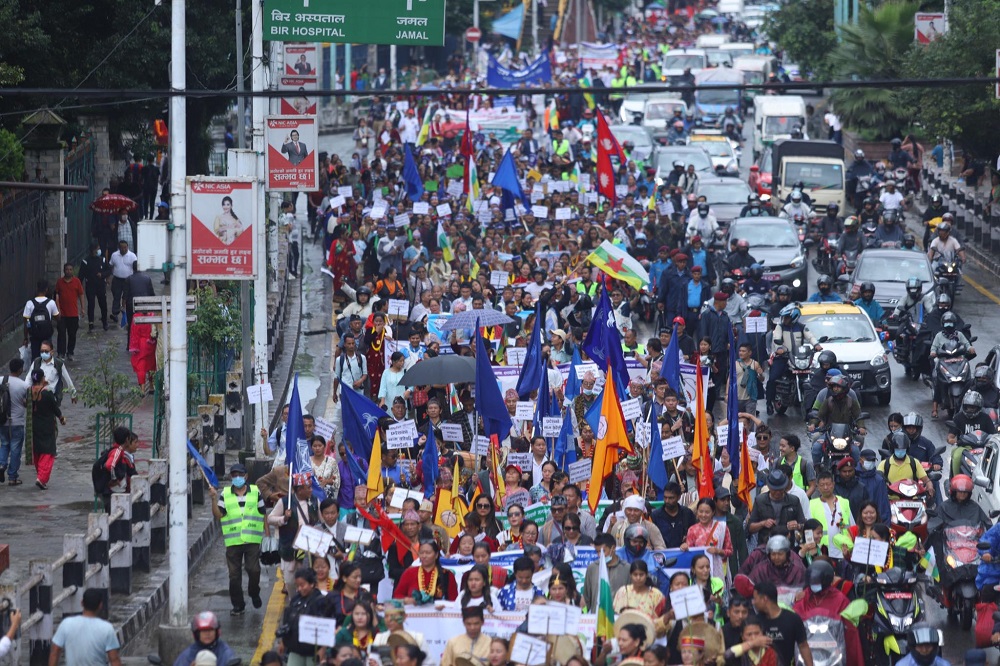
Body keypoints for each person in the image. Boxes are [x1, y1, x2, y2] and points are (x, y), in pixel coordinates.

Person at [209, 463, 266, 615]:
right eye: (234, 475)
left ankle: (254, 592)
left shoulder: (255, 491)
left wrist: (267, 534)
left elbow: (262, 512)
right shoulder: (225, 494)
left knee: (254, 570)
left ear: (246, 476)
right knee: (234, 576)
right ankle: (238, 605)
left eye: (240, 475)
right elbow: (218, 515)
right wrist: (213, 499)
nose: (237, 478)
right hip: (233, 542)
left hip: (252, 539)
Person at [49, 589, 121, 666]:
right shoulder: (107, 628)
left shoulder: (66, 624)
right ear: (100, 605)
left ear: (82, 603)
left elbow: (55, 652)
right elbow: (114, 659)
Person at [752, 581, 812, 666]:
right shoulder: (755, 621)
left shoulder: (793, 619)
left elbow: (803, 646)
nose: (753, 602)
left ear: (764, 599)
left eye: (755, 599)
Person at [277, 568, 326, 666]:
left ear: (312, 584)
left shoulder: (321, 601)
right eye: (297, 586)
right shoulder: (295, 600)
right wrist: (283, 641)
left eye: (302, 585)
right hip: (295, 649)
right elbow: (288, 621)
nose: (299, 589)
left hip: (313, 651)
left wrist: (323, 649)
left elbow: (325, 628)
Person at [29, 367, 63, 490]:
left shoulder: (29, 392)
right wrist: (61, 418)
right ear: (43, 378)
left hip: (34, 426)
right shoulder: (47, 393)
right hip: (47, 426)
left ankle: (40, 474)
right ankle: (41, 478)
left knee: (37, 450)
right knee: (48, 452)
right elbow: (55, 408)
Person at [172, 612, 237, 666]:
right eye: (203, 631)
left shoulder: (225, 653)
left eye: (210, 630)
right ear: (197, 633)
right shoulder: (187, 655)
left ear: (216, 632)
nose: (207, 634)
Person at [54, 263, 84, 360]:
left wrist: (82, 308)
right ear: (64, 270)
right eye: (67, 269)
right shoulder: (59, 282)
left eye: (71, 269)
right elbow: (57, 296)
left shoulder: (77, 282)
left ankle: (70, 352)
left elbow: (81, 295)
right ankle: (61, 353)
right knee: (61, 333)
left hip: (73, 313)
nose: (69, 271)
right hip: (62, 313)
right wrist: (58, 309)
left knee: (72, 334)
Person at [23, 279, 59, 360]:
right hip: (47, 335)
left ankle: (35, 372)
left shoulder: (29, 303)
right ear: (46, 289)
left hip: (34, 335)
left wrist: (25, 337)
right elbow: (58, 318)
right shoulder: (51, 303)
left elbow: (26, 322)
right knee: (47, 357)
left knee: (35, 358)